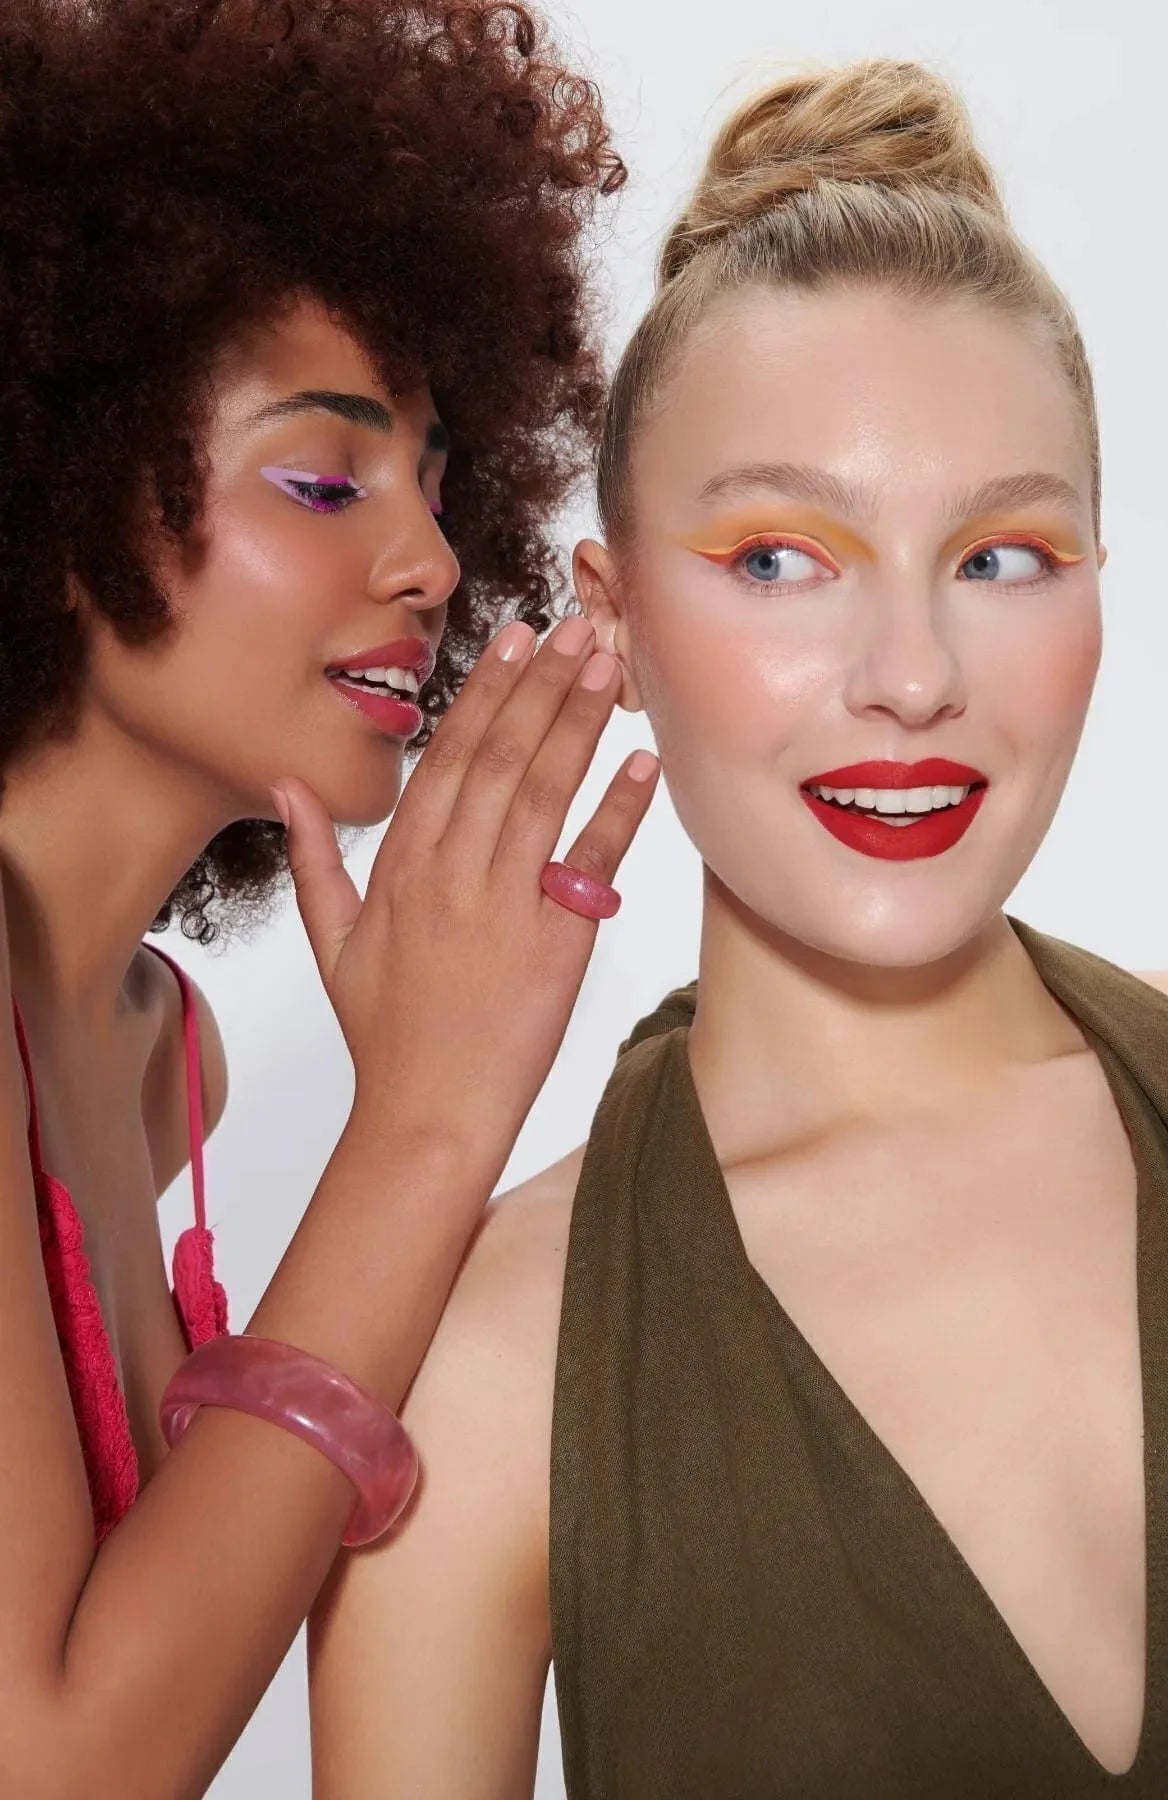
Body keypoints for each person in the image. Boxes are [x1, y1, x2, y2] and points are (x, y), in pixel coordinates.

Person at [307, 57, 1168, 1798]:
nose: (913, 678)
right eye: (781, 559)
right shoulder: (487, 1366)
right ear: (613, 616)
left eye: (1003, 557)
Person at [0, 0, 661, 1792]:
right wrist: (429, 1119)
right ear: (52, 471)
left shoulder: (168, 1061)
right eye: (320, 476)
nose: (431, 560)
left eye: (440, 482)